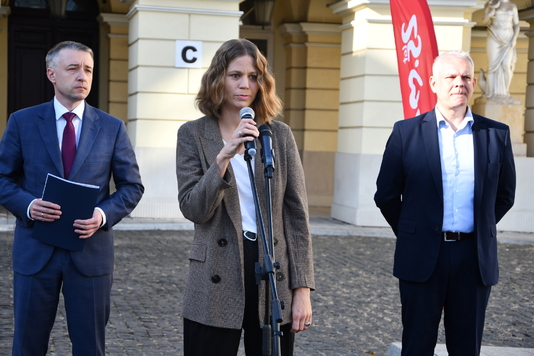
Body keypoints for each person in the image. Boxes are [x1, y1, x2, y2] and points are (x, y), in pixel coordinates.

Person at [0, 41, 144, 355]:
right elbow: (3, 179)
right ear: (51, 73)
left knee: (90, 348)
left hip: (90, 255)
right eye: (73, 68)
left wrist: (102, 215)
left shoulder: (112, 128)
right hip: (35, 253)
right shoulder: (22, 122)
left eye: (88, 69)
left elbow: (132, 187)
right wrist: (28, 205)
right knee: (27, 346)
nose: (83, 76)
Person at [176, 38, 314, 356]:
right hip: (216, 270)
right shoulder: (192, 134)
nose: (245, 84)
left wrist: (302, 289)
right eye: (235, 75)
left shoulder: (278, 135)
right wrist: (224, 156)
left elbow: (297, 217)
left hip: (270, 267)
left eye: (253, 76)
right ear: (218, 79)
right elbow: (193, 208)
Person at [374, 50, 516, 355]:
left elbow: (505, 195)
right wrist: (413, 232)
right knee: (416, 346)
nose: (459, 83)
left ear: (474, 82)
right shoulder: (406, 133)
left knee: (466, 349)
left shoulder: (496, 135)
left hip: (473, 259)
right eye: (451, 76)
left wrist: (478, 226)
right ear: (433, 82)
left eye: (465, 77)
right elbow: (385, 194)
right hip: (422, 255)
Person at [481, 0, 519, 97]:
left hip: (508, 39)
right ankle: (491, 93)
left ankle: (505, 92)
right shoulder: (492, 4)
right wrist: (489, 14)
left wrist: (514, 39)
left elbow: (516, 24)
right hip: (494, 37)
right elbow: (484, 21)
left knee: (507, 66)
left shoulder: (512, 6)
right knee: (492, 66)